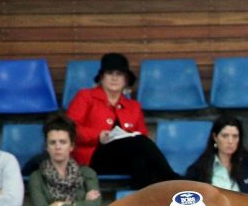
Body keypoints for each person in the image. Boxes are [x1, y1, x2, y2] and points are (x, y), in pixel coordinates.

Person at [66, 52, 178, 189]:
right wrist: (98, 136)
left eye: (119, 74)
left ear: (125, 79)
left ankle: (138, 203)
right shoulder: (85, 96)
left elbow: (143, 136)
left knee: (141, 160)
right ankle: (173, 179)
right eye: (110, 73)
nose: (114, 78)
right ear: (101, 77)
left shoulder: (134, 106)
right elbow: (69, 129)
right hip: (94, 159)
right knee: (140, 142)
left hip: (122, 161)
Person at [185, 115, 248, 197]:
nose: (230, 141)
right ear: (215, 137)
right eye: (225, 136)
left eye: (235, 136)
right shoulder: (198, 169)